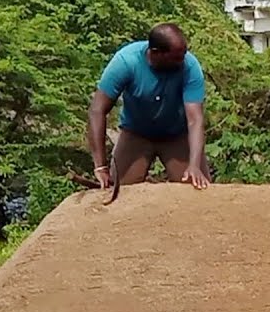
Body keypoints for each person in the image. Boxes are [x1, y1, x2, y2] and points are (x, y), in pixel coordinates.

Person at [87, 23, 211, 191]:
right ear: (155, 53)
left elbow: (195, 120)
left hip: (176, 135)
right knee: (117, 193)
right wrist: (100, 166)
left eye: (184, 54)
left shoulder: (190, 66)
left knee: (196, 188)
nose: (182, 61)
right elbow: (97, 110)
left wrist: (194, 165)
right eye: (176, 57)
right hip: (136, 134)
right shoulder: (126, 62)